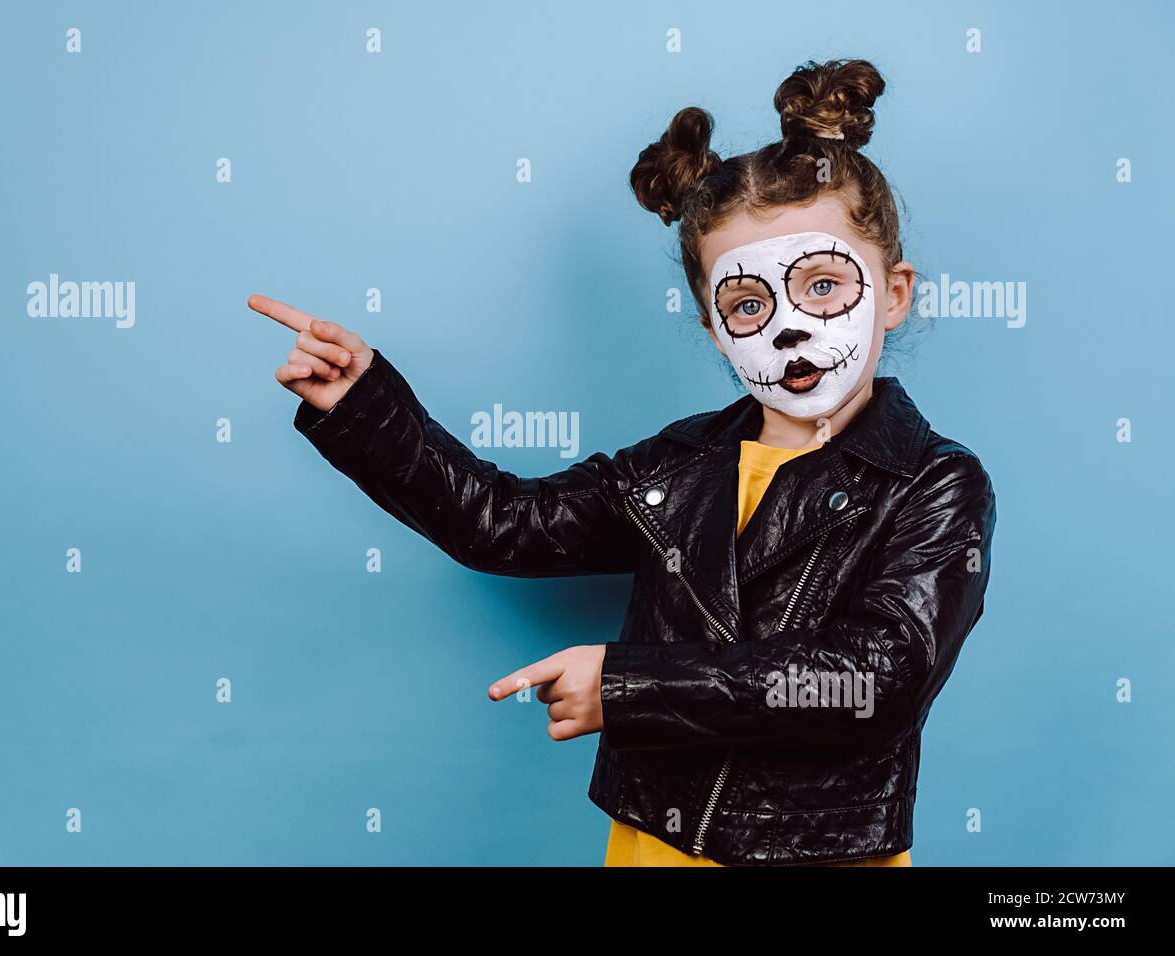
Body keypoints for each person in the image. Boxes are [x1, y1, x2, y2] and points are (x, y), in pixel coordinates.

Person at [249, 58, 996, 867]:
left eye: (821, 286)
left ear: (892, 293)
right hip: (655, 842)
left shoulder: (934, 483)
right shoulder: (673, 468)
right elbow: (503, 524)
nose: (787, 327)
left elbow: (869, 682)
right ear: (714, 328)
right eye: (749, 303)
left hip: (816, 852)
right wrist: (363, 404)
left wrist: (628, 684)